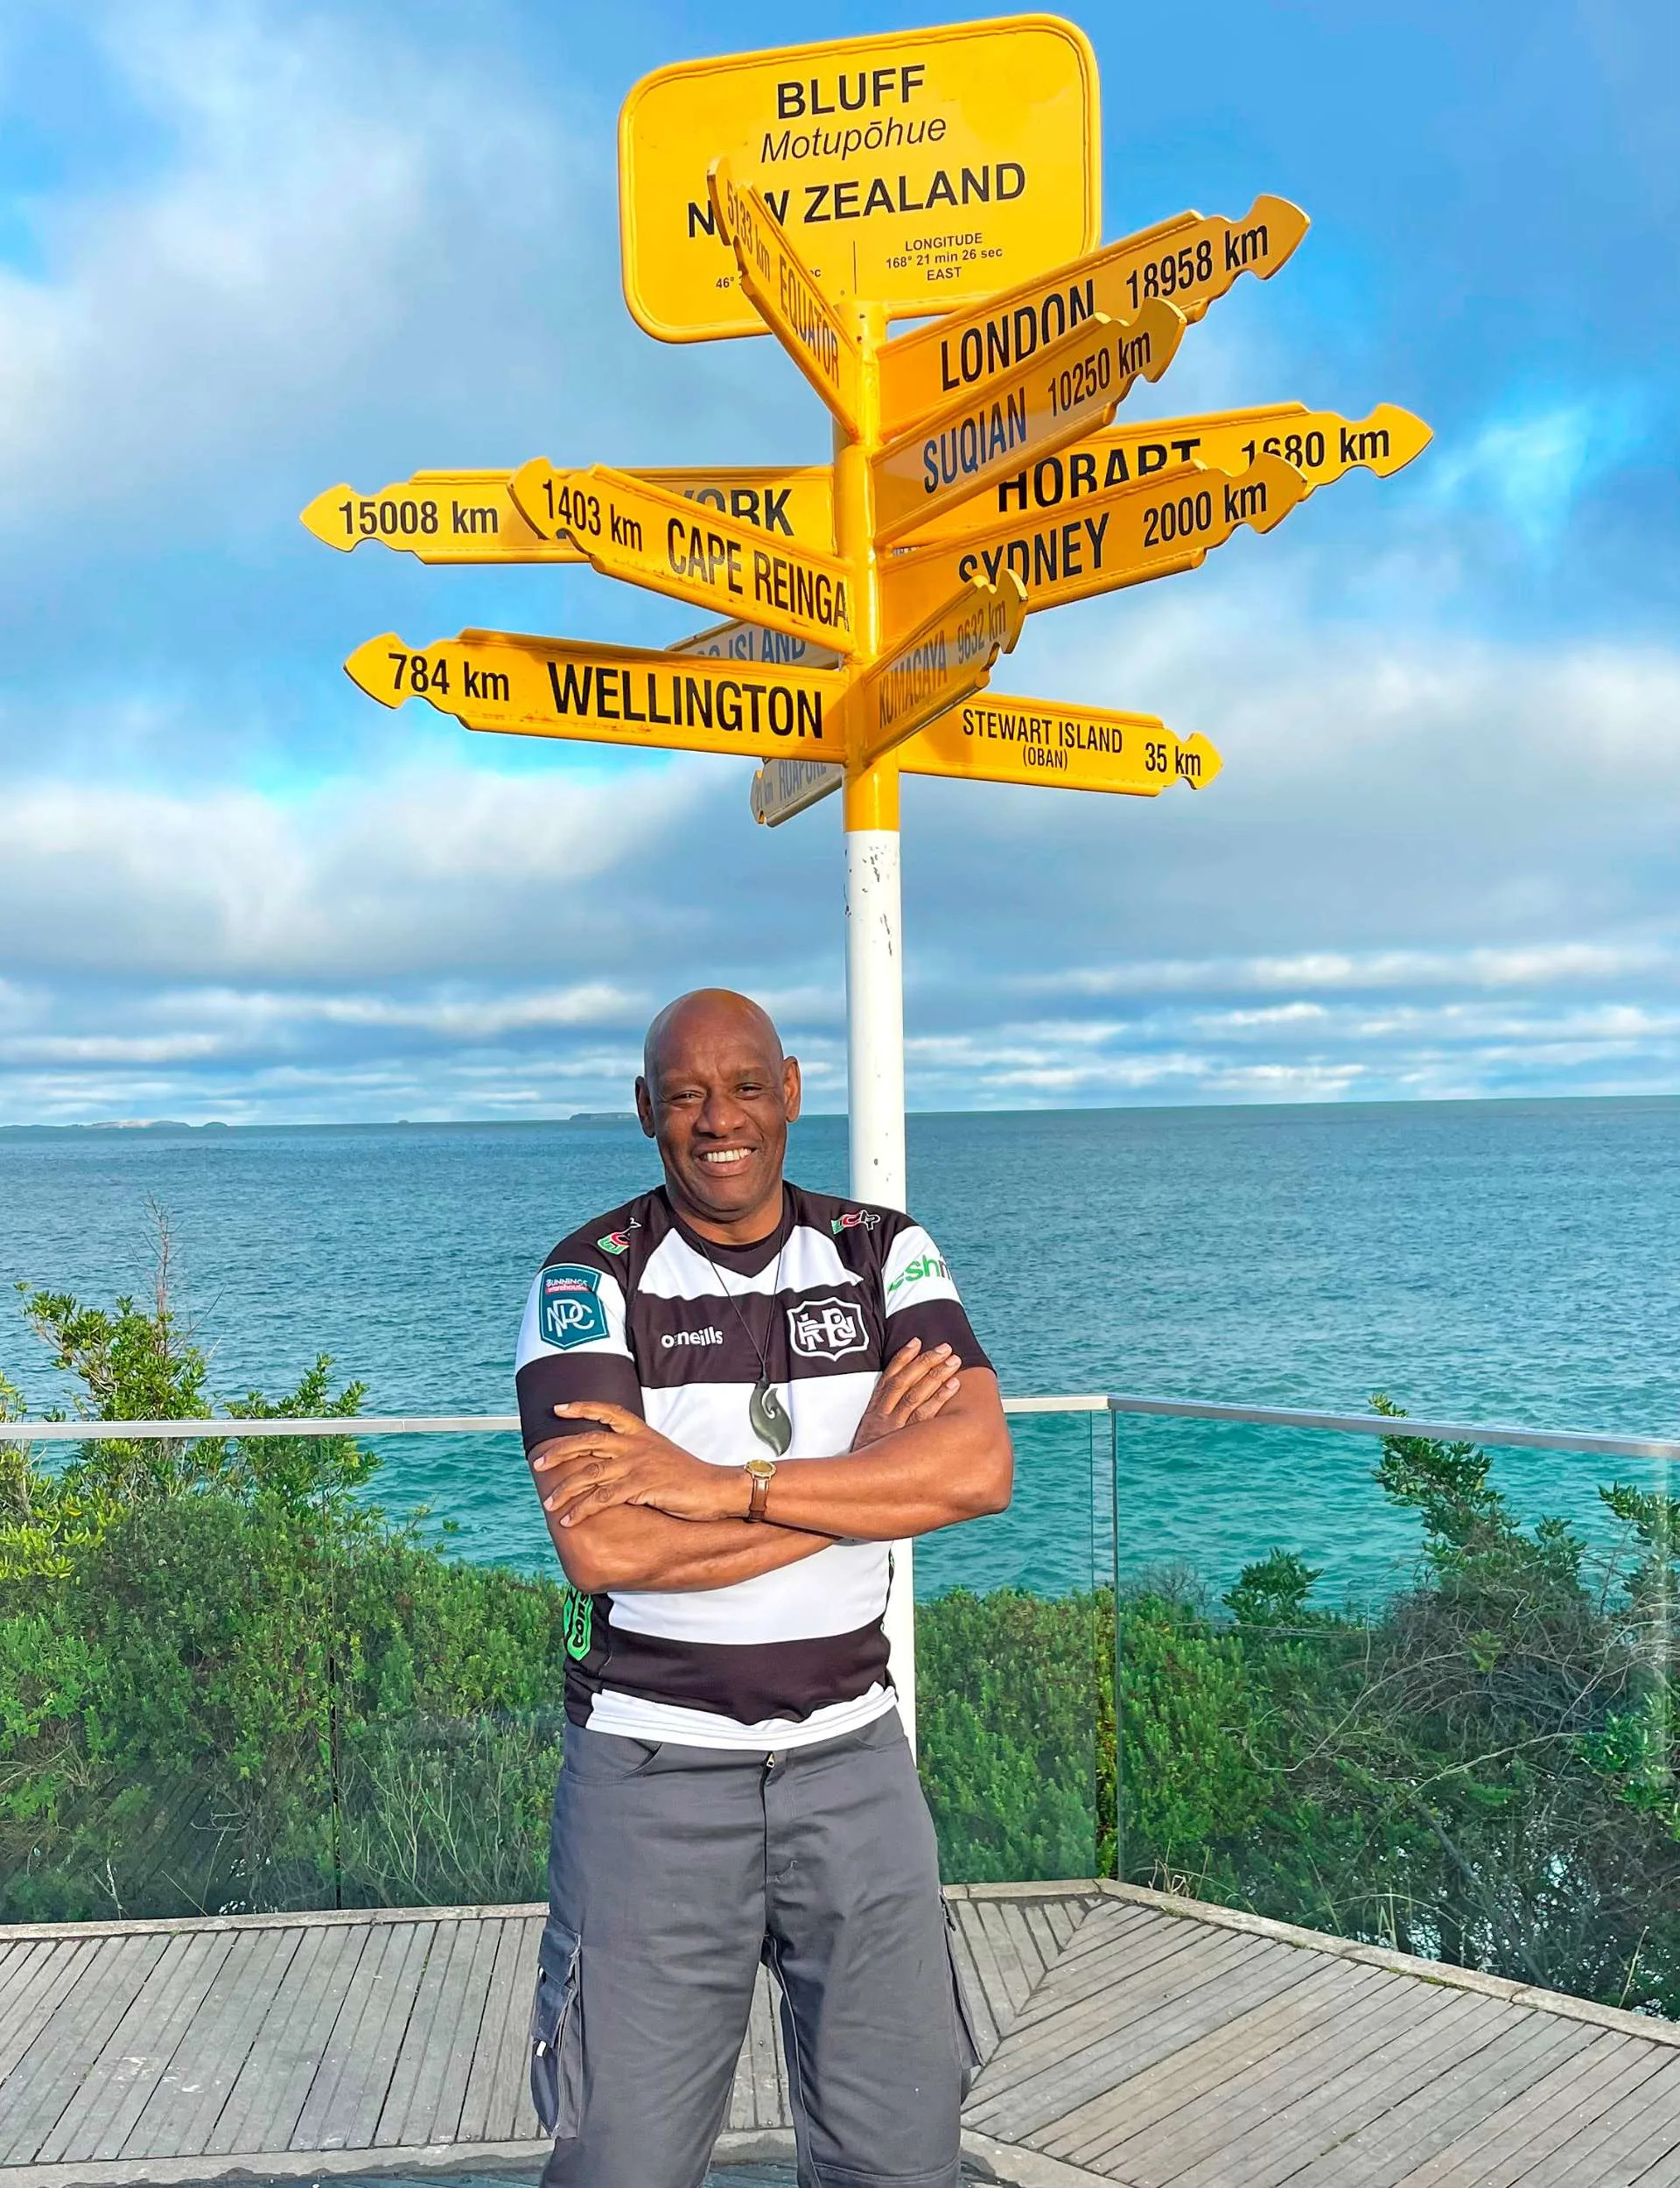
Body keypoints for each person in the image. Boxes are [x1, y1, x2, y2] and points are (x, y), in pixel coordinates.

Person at [514, 987, 1012, 2188]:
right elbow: (607, 1551)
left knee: (902, 2159)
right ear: (645, 1109)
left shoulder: (881, 1252)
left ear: (791, 1090)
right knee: (621, 2164)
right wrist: (863, 1485)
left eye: (745, 1087)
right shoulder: (588, 1280)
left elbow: (978, 1471)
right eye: (686, 1095)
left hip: (855, 1762)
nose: (719, 1119)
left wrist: (719, 1489)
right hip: (651, 1772)